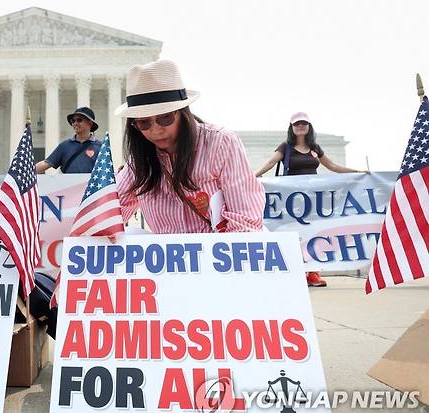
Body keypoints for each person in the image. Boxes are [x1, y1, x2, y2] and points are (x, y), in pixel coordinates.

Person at [115, 59, 265, 234]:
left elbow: (245, 223)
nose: (155, 130)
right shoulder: (139, 162)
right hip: (167, 258)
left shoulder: (221, 144)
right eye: (143, 123)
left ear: (183, 113)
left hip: (218, 256)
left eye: (165, 118)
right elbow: (109, 210)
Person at [253, 112, 367, 287]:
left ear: (309, 126)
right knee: (294, 235)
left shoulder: (315, 148)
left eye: (304, 123)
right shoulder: (286, 147)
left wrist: (357, 172)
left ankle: (313, 273)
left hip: (313, 200)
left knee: (314, 233)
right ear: (291, 128)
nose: (300, 126)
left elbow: (333, 166)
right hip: (291, 201)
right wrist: (252, 177)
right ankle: (295, 271)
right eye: (296, 124)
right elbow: (270, 163)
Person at [35, 107, 102, 174]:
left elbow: (106, 172)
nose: (75, 123)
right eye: (73, 121)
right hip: (71, 184)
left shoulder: (100, 147)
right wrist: (27, 171)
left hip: (91, 184)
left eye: (79, 120)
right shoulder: (64, 146)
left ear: (90, 123)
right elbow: (46, 164)